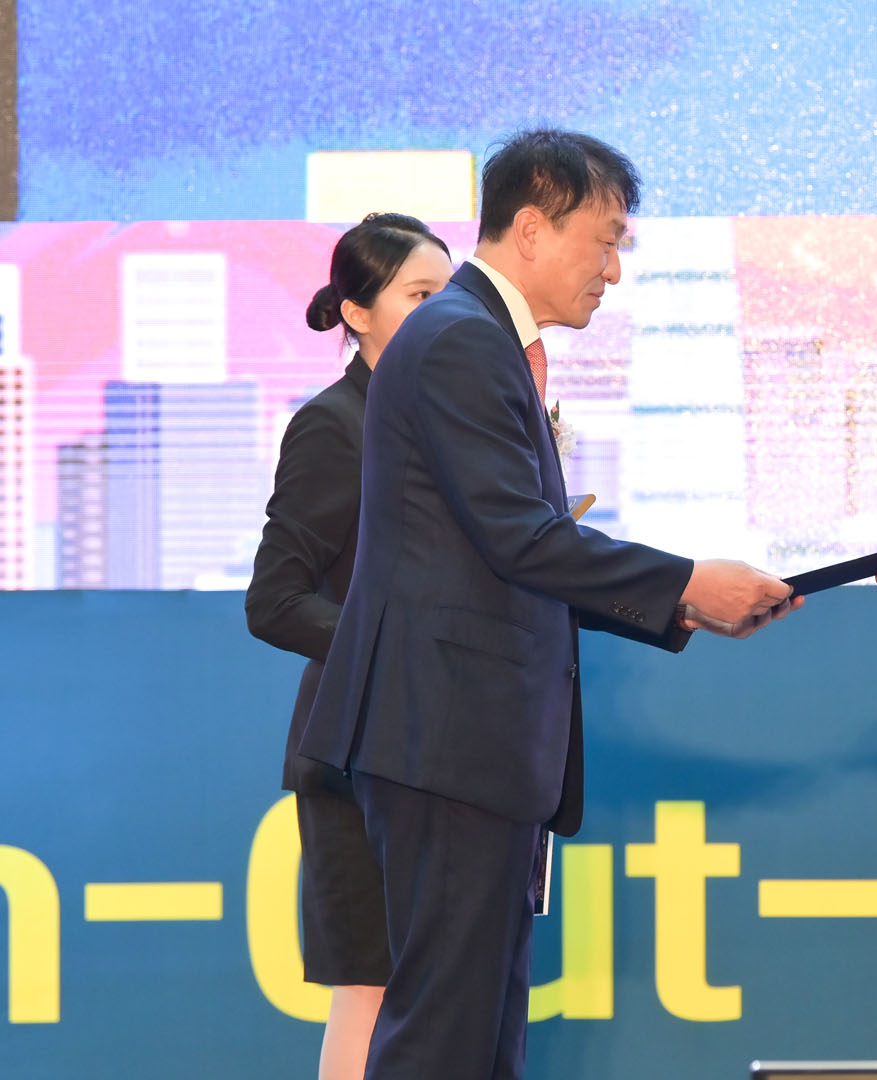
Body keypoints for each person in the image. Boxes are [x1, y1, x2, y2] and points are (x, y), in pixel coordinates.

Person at [297, 128, 798, 1080]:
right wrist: (686, 582)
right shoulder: (460, 340)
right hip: (447, 737)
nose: (614, 270)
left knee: (481, 1037)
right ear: (531, 227)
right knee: (445, 1037)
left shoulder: (470, 336)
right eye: (604, 242)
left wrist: (680, 607)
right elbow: (519, 537)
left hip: (467, 742)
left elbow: (499, 553)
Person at [245, 212, 453, 1080]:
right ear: (357, 313)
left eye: (453, 296)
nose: (447, 315)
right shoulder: (336, 424)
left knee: (447, 992)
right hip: (359, 750)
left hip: (453, 750)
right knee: (372, 987)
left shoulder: (457, 424)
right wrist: (401, 644)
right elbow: (275, 601)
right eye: (421, 295)